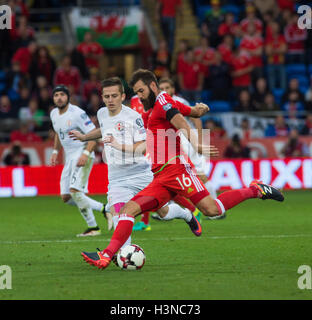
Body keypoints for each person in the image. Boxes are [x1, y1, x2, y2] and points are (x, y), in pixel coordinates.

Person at [80, 69, 285, 269]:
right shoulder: (166, 102)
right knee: (127, 211)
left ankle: (255, 190)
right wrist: (200, 109)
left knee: (212, 210)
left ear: (153, 86)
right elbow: (191, 112)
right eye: (136, 92)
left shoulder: (162, 102)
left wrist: (196, 144)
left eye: (141, 91)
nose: (139, 97)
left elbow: (180, 122)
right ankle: (105, 256)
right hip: (160, 176)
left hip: (177, 171)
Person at [69, 77, 204, 253]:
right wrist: (84, 137)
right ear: (102, 97)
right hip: (117, 179)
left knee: (163, 213)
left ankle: (186, 215)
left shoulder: (133, 117)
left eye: (114, 96)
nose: (110, 100)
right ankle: (125, 254)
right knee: (119, 214)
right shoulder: (102, 113)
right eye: (107, 96)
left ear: (122, 96)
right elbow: (103, 129)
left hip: (141, 174)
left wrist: (119, 146)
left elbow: (143, 146)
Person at [49, 85, 106, 237]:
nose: (59, 97)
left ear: (68, 97)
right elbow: (57, 133)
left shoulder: (77, 114)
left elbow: (93, 134)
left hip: (82, 153)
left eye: (62, 94)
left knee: (75, 191)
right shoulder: (54, 113)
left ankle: (94, 227)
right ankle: (104, 209)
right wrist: (55, 151)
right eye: (56, 95)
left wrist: (86, 153)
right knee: (66, 197)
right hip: (69, 156)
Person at [159, 77, 217, 199]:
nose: (164, 91)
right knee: (168, 175)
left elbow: (196, 118)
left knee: (199, 174)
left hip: (188, 138)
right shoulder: (159, 104)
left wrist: (199, 140)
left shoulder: (180, 101)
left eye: (167, 88)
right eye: (162, 88)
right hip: (171, 141)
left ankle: (216, 205)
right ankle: (169, 209)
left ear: (173, 89)